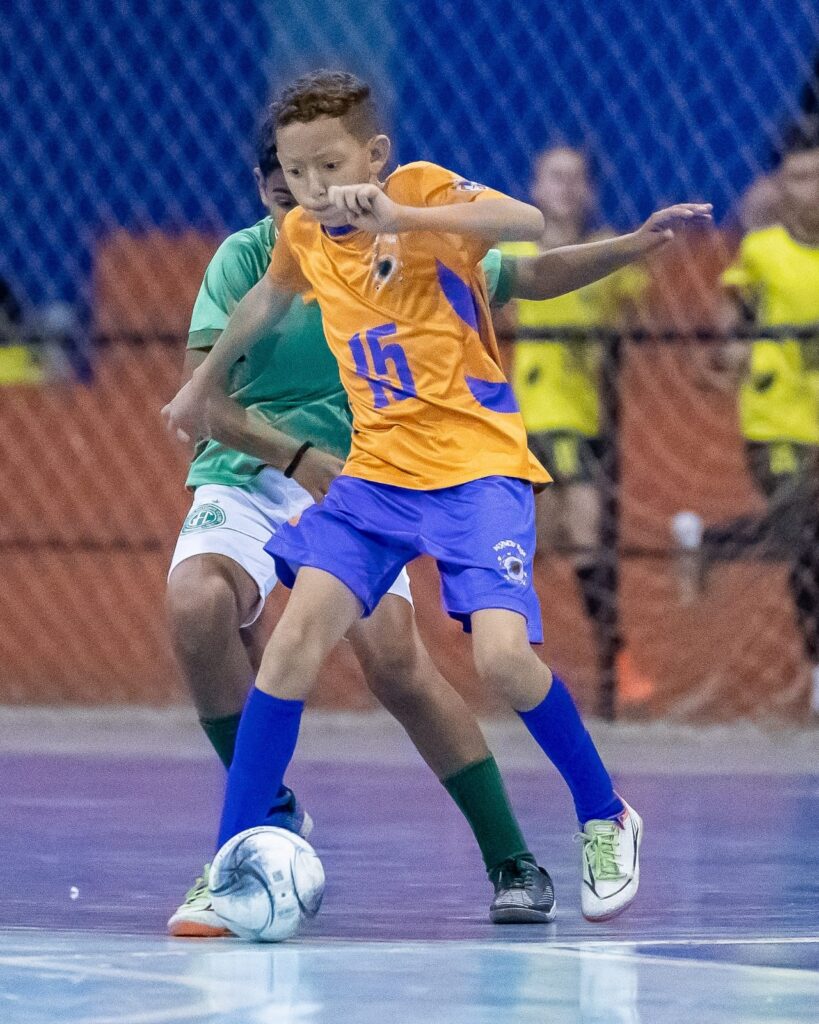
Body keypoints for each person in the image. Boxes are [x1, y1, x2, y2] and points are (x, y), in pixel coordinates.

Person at [164, 70, 711, 922]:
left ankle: (605, 812)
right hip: (375, 476)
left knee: (498, 659)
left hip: (473, 471)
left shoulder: (418, 197)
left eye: (329, 166)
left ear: (373, 156)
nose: (312, 188)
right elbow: (268, 299)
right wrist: (202, 385)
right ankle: (234, 857)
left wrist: (408, 218)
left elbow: (525, 231)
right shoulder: (301, 238)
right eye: (293, 173)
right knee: (290, 647)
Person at [166, 118, 559, 935]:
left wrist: (632, 243)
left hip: (365, 474)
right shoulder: (246, 261)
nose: (296, 193)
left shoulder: (395, 235)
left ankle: (511, 857)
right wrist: (295, 454)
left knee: (391, 657)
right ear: (263, 186)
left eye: (311, 176)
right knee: (198, 604)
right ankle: (256, 829)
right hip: (261, 467)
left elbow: (525, 270)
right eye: (279, 182)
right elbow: (207, 405)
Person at [498, 146, 654, 709]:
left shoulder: (605, 256)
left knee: (560, 538)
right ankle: (611, 659)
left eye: (575, 177)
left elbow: (635, 323)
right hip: (536, 415)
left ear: (588, 191)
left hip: (589, 418)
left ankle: (607, 663)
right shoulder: (512, 255)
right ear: (534, 188)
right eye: (553, 176)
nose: (564, 187)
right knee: (567, 535)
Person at [677, 116, 819, 716]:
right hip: (774, 415)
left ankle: (710, 541)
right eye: (795, 178)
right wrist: (730, 348)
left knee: (805, 544)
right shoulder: (762, 250)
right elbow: (732, 313)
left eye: (814, 177)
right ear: (778, 188)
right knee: (805, 530)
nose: (805, 189)